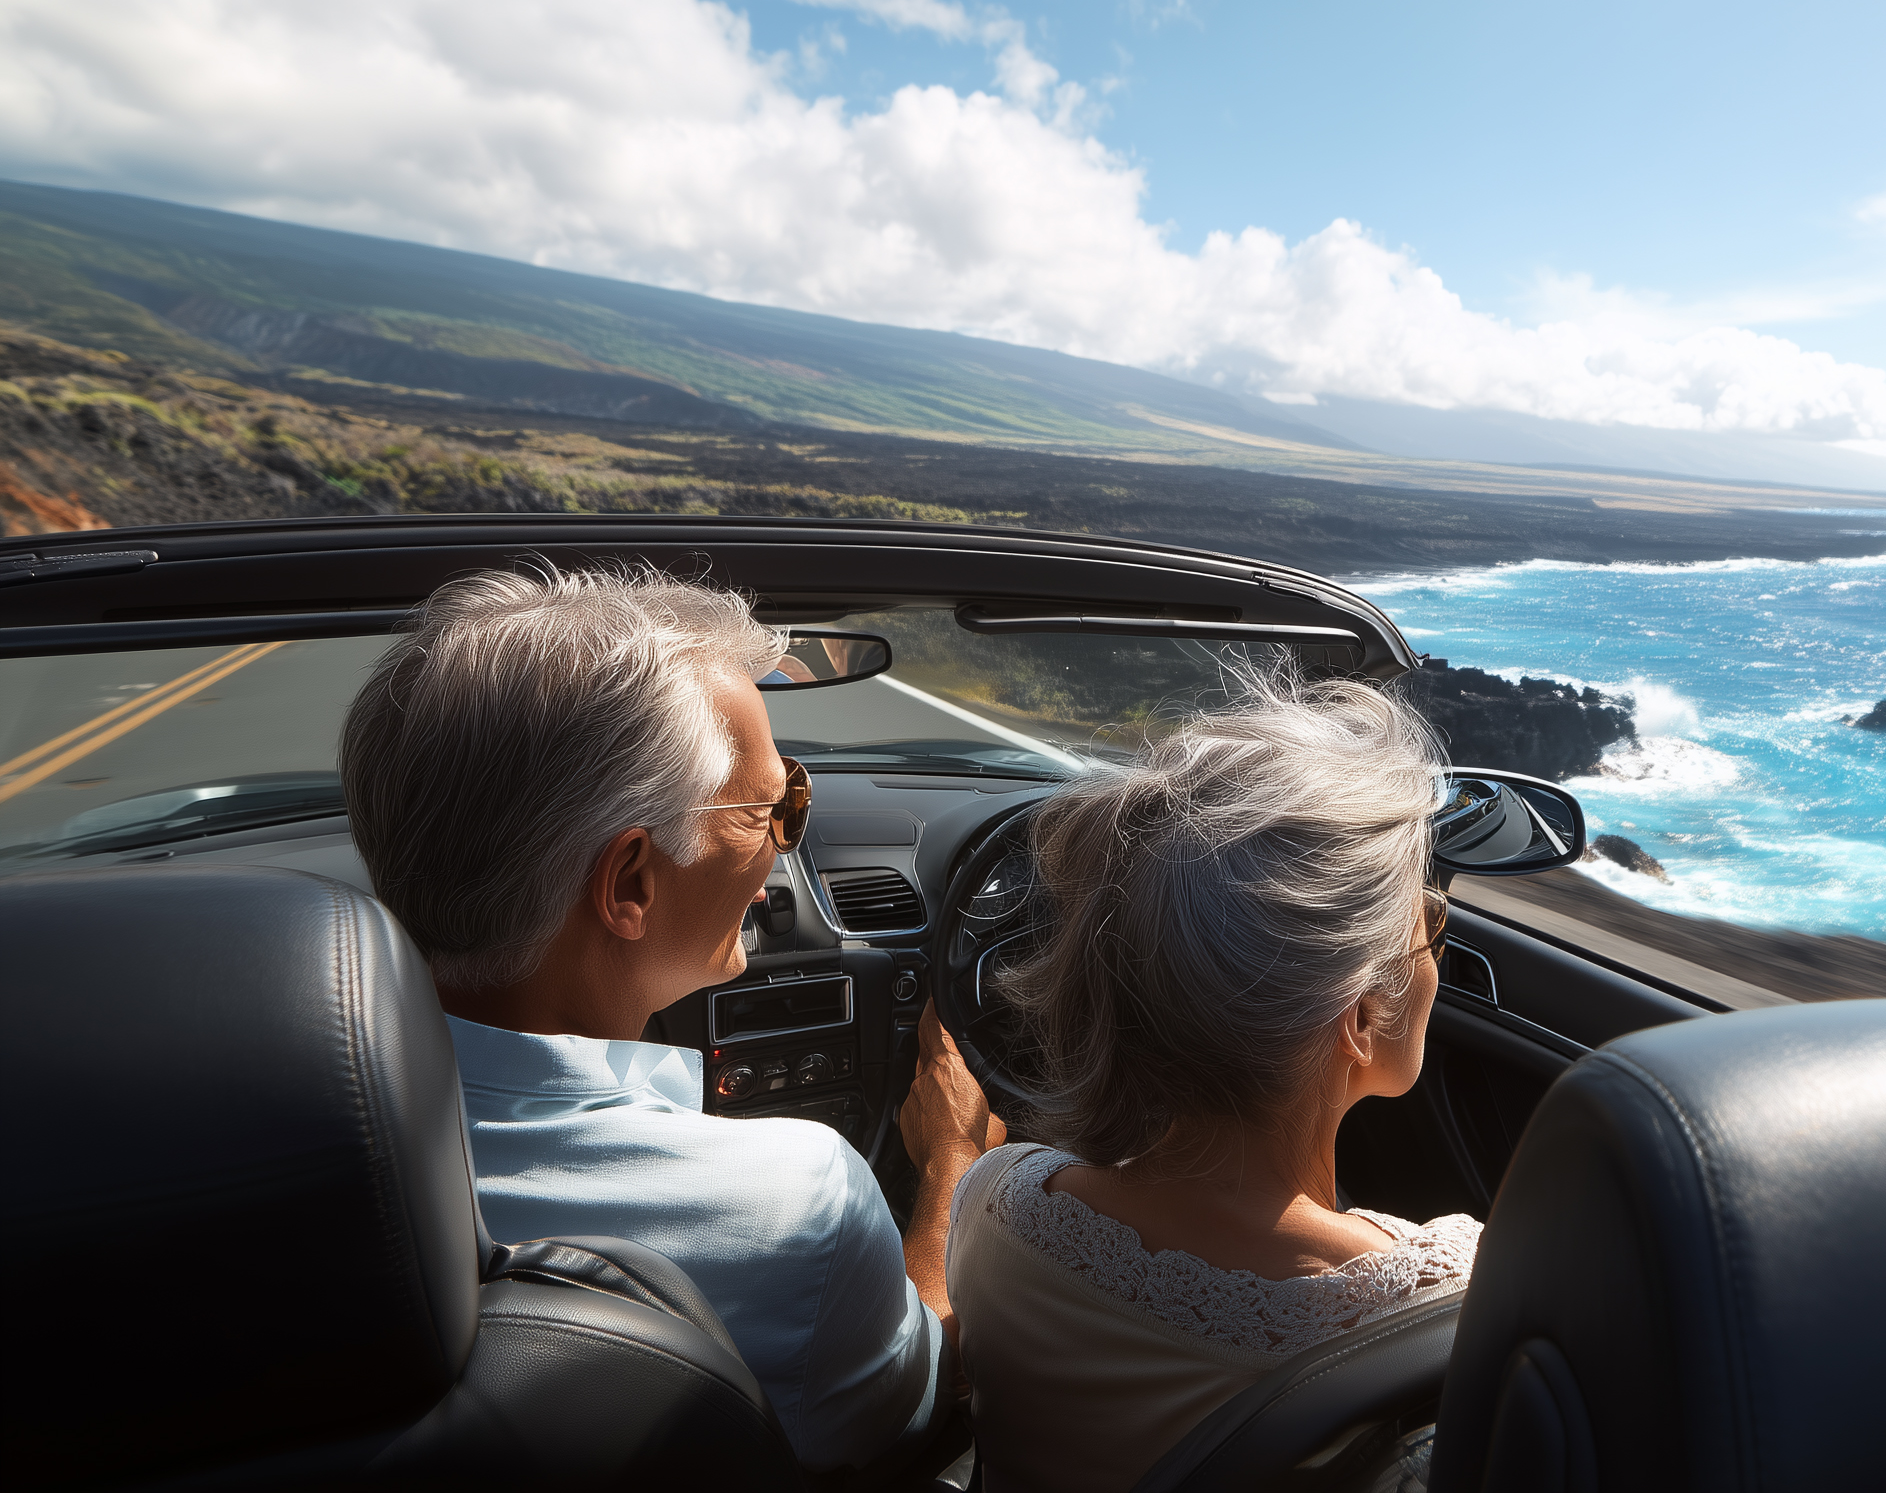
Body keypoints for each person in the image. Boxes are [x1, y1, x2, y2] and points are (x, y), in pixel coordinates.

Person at [340, 563, 1001, 1475]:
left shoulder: (231, 1154)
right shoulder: (795, 1199)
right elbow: (919, 1403)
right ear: (631, 883)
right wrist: (954, 1163)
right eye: (777, 808)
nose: (781, 848)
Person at [944, 673, 1479, 1493]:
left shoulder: (995, 1207)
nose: (1437, 950)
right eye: (1427, 929)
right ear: (1364, 1016)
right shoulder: (1455, 1299)